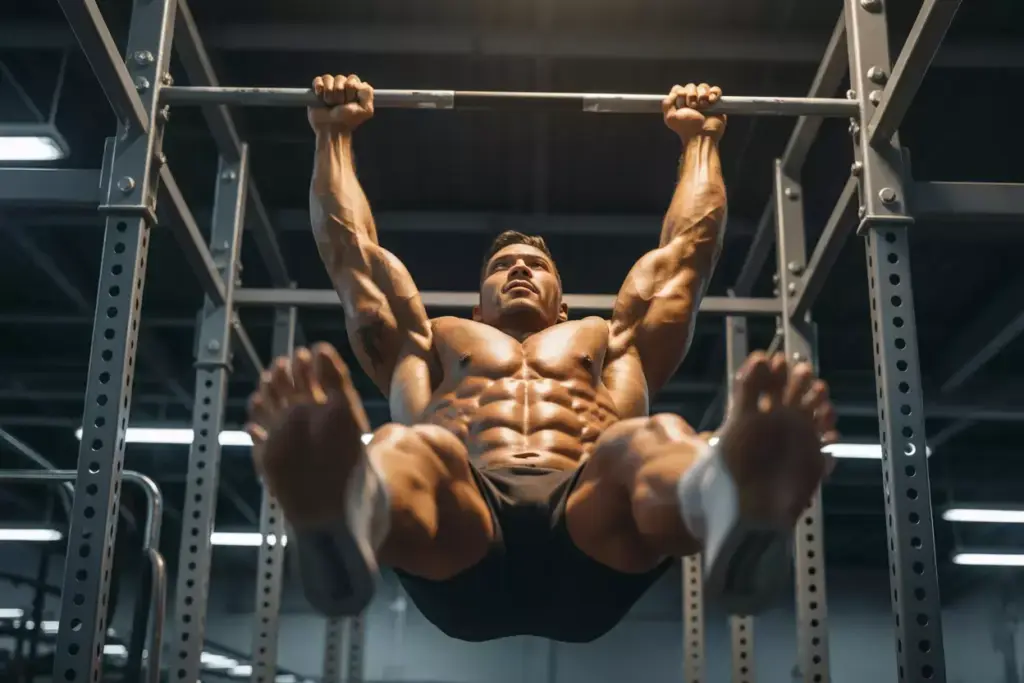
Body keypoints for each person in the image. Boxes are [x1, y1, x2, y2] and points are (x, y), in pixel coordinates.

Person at [244, 74, 838, 643]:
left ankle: (727, 500)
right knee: (410, 445)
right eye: (502, 267)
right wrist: (332, 134)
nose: (520, 270)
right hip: (461, 525)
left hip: (592, 522)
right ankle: (346, 508)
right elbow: (353, 256)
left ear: (563, 305)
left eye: (536, 266)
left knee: (648, 438)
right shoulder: (430, 344)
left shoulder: (609, 343)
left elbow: (687, 255)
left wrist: (700, 139)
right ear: (477, 307)